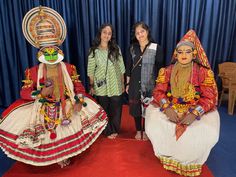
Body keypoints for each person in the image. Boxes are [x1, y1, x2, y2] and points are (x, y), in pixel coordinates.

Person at [0, 6, 107, 168]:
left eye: (54, 52)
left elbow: (78, 86)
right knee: (45, 132)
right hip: (42, 106)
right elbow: (24, 92)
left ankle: (65, 154)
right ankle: (55, 157)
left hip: (66, 103)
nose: (51, 56)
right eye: (47, 52)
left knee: (76, 122)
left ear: (59, 51)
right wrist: (40, 93)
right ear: (41, 53)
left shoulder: (69, 68)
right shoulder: (33, 72)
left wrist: (79, 100)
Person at [145, 30, 220, 176]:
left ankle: (191, 162)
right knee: (155, 124)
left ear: (194, 54)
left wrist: (195, 113)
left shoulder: (203, 72)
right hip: (171, 106)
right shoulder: (167, 71)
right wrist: (166, 108)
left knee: (205, 131)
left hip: (195, 108)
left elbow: (209, 97)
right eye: (180, 52)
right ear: (176, 54)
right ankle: (169, 158)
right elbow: (158, 92)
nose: (184, 55)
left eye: (187, 51)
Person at [125, 21, 163, 140]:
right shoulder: (132, 48)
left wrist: (159, 86)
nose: (140, 34)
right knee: (136, 108)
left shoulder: (156, 47)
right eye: (137, 33)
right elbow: (129, 67)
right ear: (135, 35)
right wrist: (127, 83)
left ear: (147, 32)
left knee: (148, 109)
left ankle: (146, 131)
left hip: (150, 84)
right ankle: (138, 130)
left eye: (142, 31)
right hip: (135, 84)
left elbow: (161, 68)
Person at [87, 23, 125, 139]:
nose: (106, 35)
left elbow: (121, 67)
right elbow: (91, 70)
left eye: (109, 33)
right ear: (100, 33)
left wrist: (123, 83)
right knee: (104, 108)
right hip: (101, 85)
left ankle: (115, 129)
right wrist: (92, 85)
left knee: (116, 108)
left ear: (111, 36)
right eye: (105, 32)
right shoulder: (94, 51)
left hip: (115, 84)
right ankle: (107, 130)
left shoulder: (116, 49)